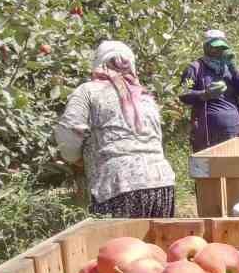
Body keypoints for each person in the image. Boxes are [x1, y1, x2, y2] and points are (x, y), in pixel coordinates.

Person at [54, 41, 177, 217]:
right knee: (153, 244)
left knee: (118, 244)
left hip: (117, 186)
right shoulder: (144, 96)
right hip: (162, 183)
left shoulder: (89, 91)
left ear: (98, 63)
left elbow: (69, 130)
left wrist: (74, 157)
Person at [180, 28, 239, 150]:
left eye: (222, 48)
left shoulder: (229, 69)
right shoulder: (195, 68)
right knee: (209, 165)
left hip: (233, 128)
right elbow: (183, 93)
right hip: (207, 131)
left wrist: (233, 68)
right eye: (214, 47)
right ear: (206, 47)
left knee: (231, 165)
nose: (218, 51)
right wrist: (205, 94)